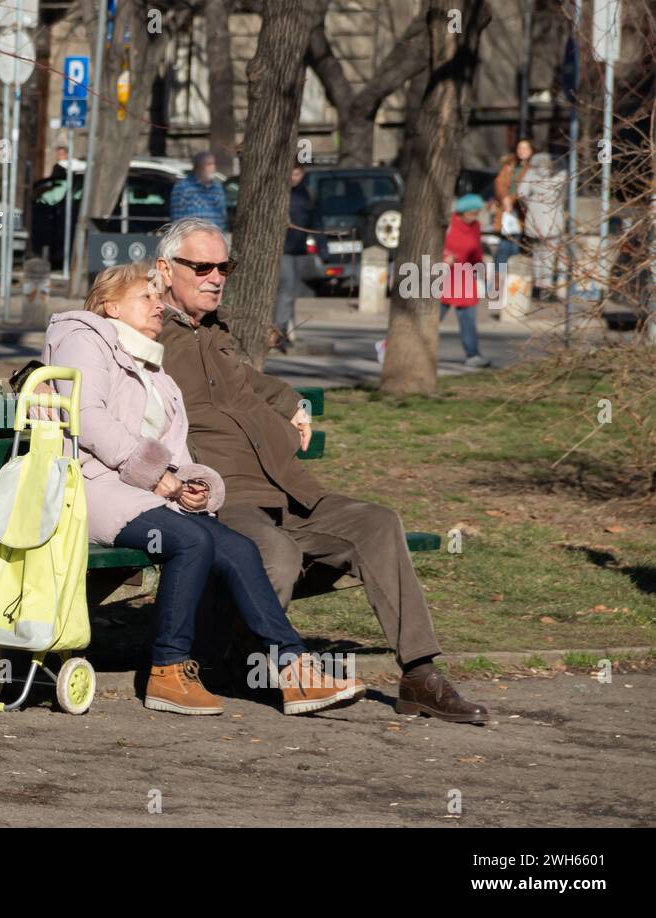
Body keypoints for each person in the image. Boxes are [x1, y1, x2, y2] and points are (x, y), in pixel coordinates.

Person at [154, 217, 489, 723]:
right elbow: (81, 346)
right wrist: (41, 385)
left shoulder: (214, 331)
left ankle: (419, 675)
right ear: (165, 268)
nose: (216, 276)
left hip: (286, 488)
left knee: (378, 523)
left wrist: (292, 402)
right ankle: (247, 665)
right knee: (277, 552)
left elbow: (246, 381)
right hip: (222, 499)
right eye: (202, 266)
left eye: (224, 266)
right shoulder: (144, 328)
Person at [42, 261, 364, 717]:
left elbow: (176, 451)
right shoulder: (84, 338)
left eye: (159, 297)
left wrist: (193, 486)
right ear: (110, 306)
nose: (159, 306)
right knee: (191, 540)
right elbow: (88, 419)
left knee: (237, 548)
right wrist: (159, 478)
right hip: (89, 485)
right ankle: (168, 670)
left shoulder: (154, 367)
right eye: (146, 298)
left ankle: (295, 671)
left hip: (143, 494)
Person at [440, 194, 490, 368]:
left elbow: (476, 252)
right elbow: (433, 246)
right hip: (444, 277)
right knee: (431, 318)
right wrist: (444, 258)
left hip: (465, 278)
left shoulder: (476, 227)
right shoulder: (448, 225)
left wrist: (482, 272)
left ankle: (473, 354)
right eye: (470, 213)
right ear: (461, 212)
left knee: (468, 319)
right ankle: (396, 346)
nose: (473, 217)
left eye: (476, 213)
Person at [518, 151, 566, 297]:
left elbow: (521, 194)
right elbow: (565, 193)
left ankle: (538, 286)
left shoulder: (530, 176)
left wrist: (531, 205)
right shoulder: (559, 177)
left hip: (535, 223)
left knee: (537, 256)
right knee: (549, 257)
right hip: (553, 224)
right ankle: (546, 288)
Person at [276, 164, 313, 349]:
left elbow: (313, 218)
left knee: (293, 292)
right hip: (284, 250)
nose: (294, 177)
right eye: (291, 173)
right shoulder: (280, 193)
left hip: (299, 249)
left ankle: (288, 329)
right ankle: (279, 331)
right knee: (286, 290)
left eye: (297, 173)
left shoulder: (306, 193)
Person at [492, 138, 533, 269]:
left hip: (522, 212)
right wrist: (504, 199)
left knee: (515, 248)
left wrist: (514, 200)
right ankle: (498, 282)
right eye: (519, 148)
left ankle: (510, 282)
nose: (522, 151)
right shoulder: (509, 165)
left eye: (525, 148)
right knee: (505, 246)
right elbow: (500, 184)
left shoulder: (532, 168)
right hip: (507, 211)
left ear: (531, 151)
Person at [169, 151, 228, 231]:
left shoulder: (217, 187)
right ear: (198, 167)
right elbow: (177, 218)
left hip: (214, 237)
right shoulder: (183, 187)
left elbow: (222, 215)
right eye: (209, 164)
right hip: (192, 238)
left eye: (214, 164)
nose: (213, 167)